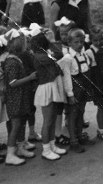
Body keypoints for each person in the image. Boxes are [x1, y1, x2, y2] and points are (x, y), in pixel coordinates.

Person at [30, 30, 72, 161]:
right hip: (46, 88)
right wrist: (51, 42)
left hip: (52, 86)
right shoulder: (39, 56)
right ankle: (46, 149)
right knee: (47, 121)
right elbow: (59, 55)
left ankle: (52, 145)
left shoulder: (42, 54)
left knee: (52, 119)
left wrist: (49, 41)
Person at [2, 30, 37, 165]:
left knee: (21, 123)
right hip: (14, 99)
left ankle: (21, 147)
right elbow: (12, 82)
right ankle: (10, 154)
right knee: (16, 125)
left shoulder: (15, 58)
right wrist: (30, 78)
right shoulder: (12, 61)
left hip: (20, 97)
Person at [62, 28, 95, 153]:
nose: (80, 44)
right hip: (74, 89)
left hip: (84, 87)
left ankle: (80, 136)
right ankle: (73, 141)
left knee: (81, 112)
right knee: (73, 115)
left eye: (81, 42)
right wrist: (70, 94)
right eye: (76, 42)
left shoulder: (85, 54)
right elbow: (67, 78)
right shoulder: (68, 58)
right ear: (70, 42)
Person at [85, 25, 103, 142]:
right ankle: (101, 130)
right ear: (91, 40)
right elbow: (88, 71)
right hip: (97, 83)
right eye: (95, 40)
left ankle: (102, 128)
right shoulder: (89, 52)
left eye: (101, 39)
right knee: (101, 107)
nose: (98, 42)